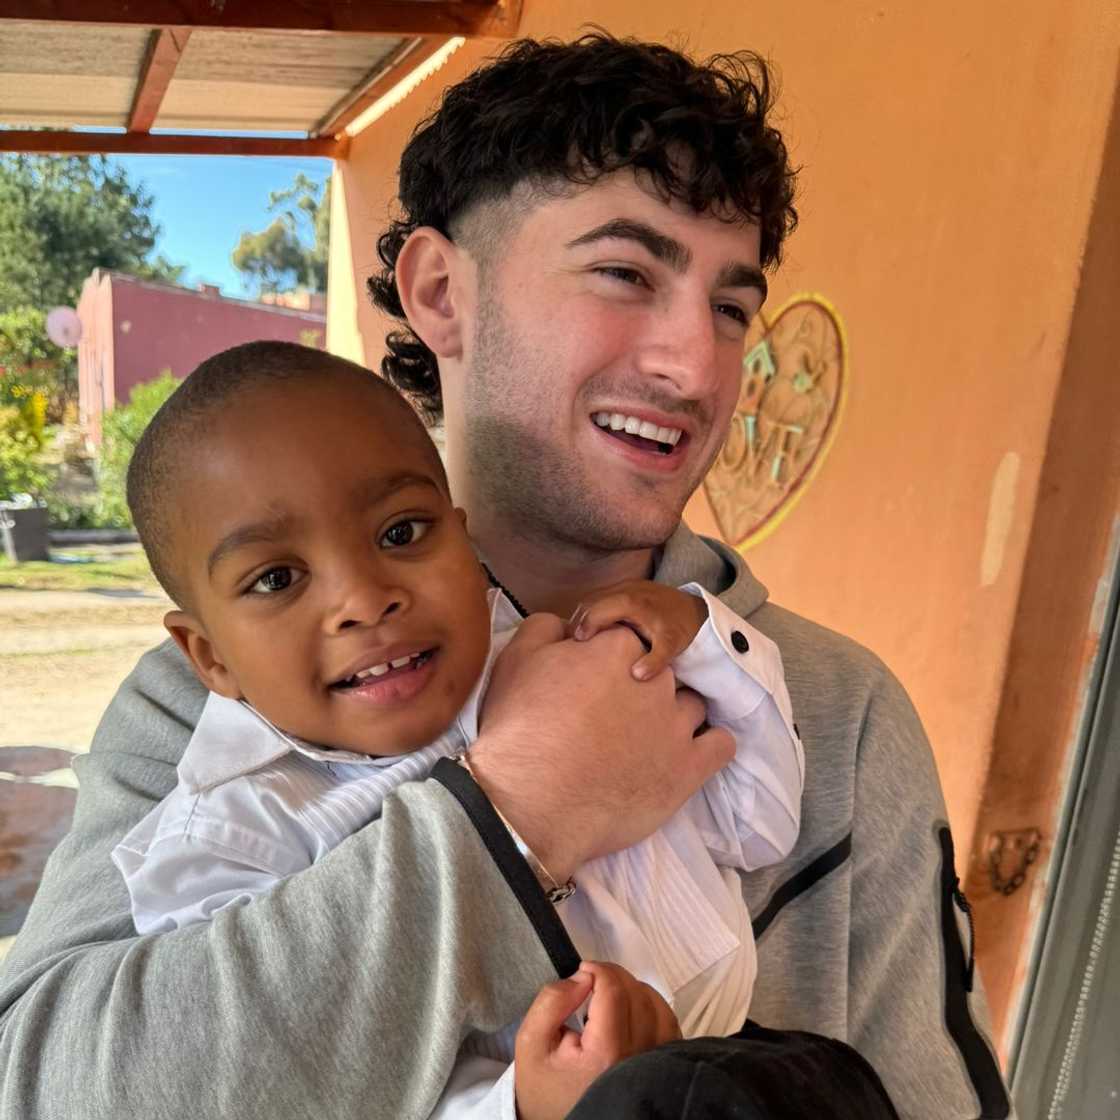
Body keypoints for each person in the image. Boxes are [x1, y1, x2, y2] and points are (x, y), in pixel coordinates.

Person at [0, 32, 1011, 1120]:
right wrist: (508, 817)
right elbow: (54, 1089)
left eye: (730, 304)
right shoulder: (217, 701)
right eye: (625, 272)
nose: (696, 364)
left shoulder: (835, 712)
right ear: (440, 291)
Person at [108, 339, 808, 1118]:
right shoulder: (230, 847)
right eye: (277, 578)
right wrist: (524, 1105)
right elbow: (285, 1075)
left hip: (746, 1074)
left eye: (401, 533)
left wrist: (698, 636)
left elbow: (760, 826)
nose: (363, 599)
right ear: (210, 658)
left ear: (465, 546)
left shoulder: (581, 665)